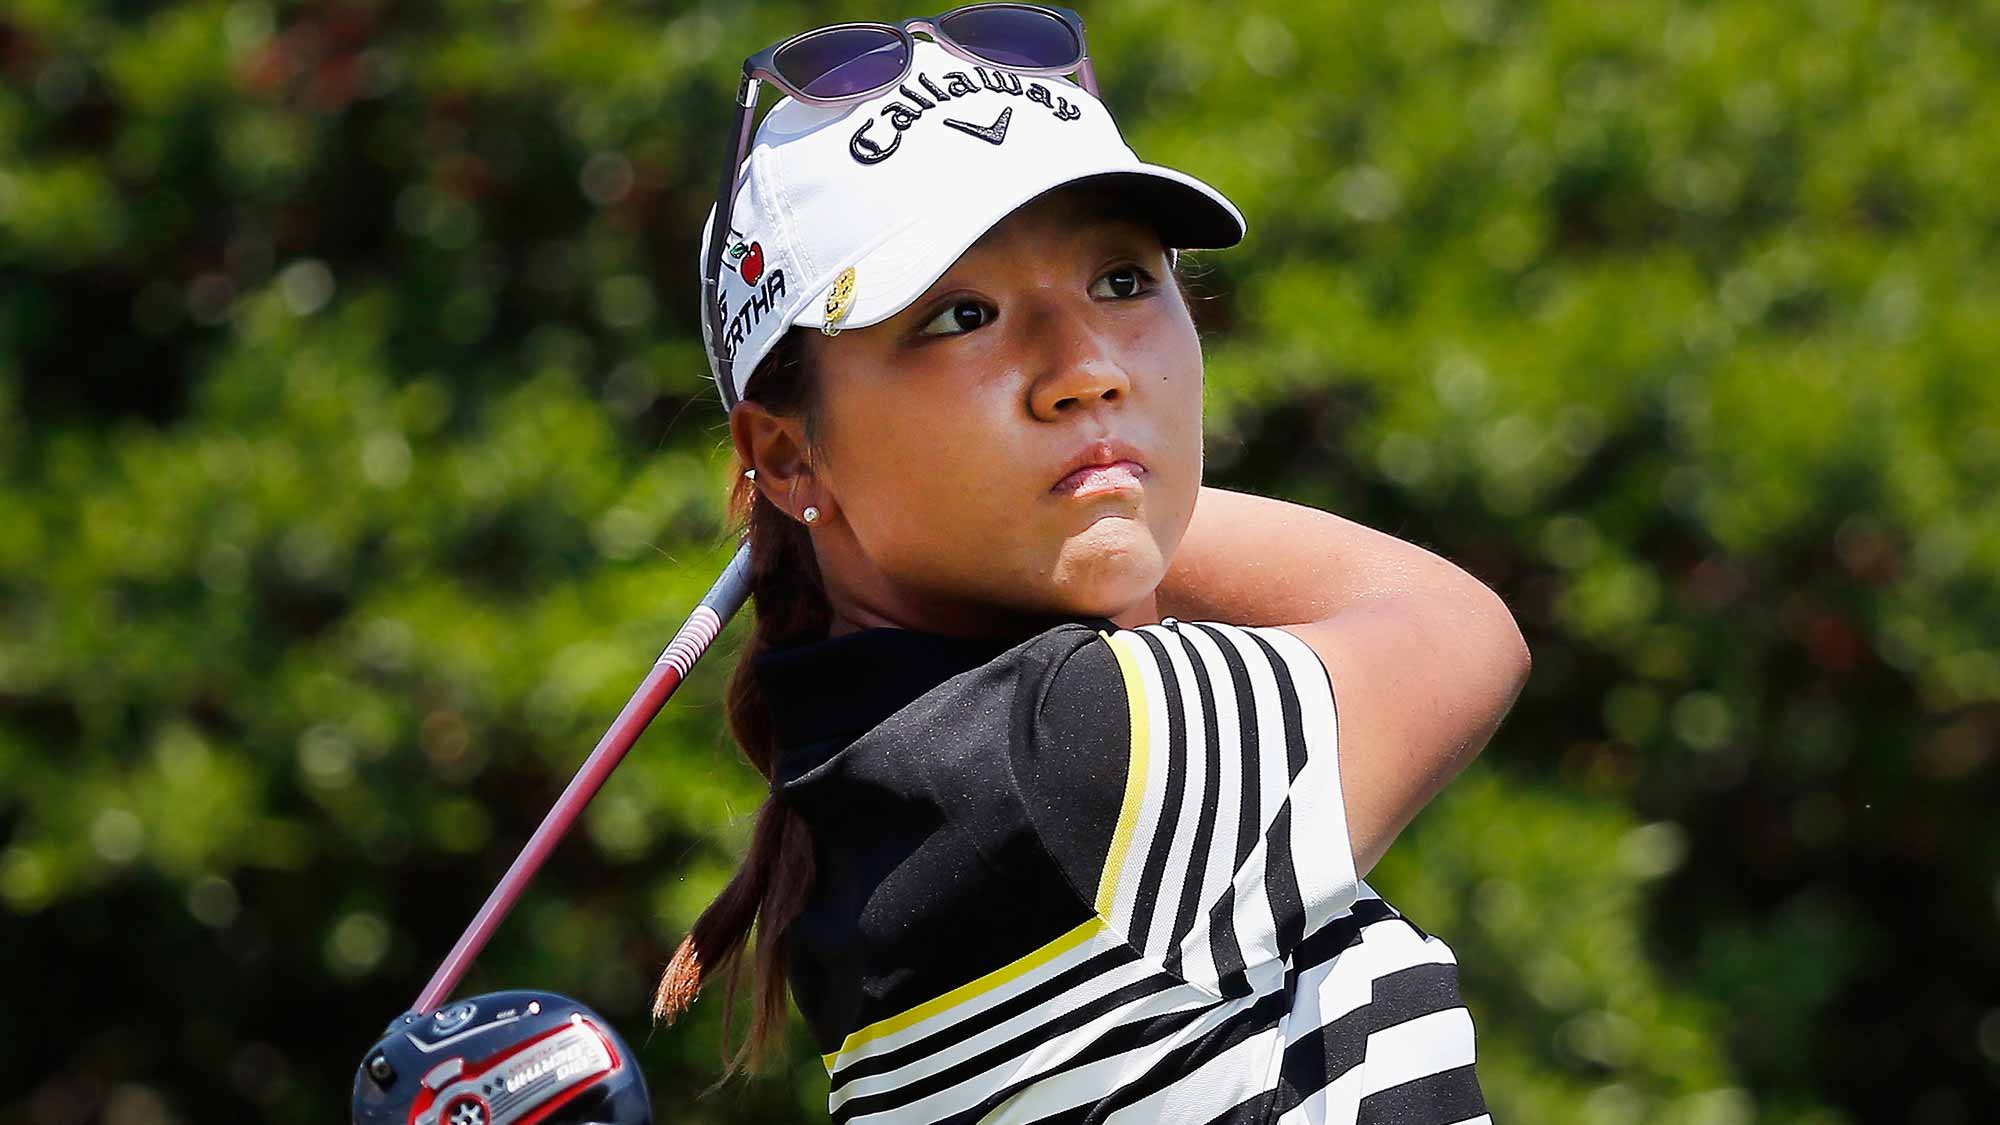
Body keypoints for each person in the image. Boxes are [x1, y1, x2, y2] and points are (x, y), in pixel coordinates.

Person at [653, 14, 1530, 1124]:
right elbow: (1454, 627)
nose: (1086, 370)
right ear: (783, 451)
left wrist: (1070, 480)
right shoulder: (1068, 752)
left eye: (1121, 281)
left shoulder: (900, 784)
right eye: (960, 316)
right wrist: (1110, 478)